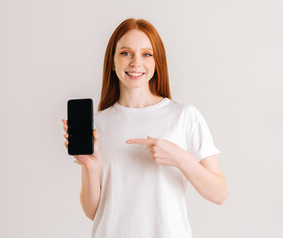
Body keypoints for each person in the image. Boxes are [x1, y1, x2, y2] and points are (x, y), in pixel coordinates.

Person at [62, 18, 227, 238]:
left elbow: (219, 194)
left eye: (146, 54)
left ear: (157, 62)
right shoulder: (97, 124)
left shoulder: (184, 116)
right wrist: (91, 166)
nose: (135, 63)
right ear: (112, 62)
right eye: (125, 53)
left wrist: (179, 158)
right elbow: (94, 212)